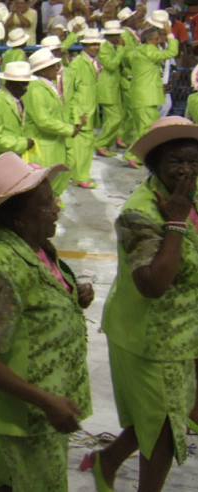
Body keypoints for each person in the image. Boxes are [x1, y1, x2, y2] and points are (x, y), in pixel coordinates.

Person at [0, 152, 94, 492]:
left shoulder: (34, 245)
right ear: (18, 218)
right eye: (47, 205)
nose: (58, 210)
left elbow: (36, 298)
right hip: (29, 416)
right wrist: (45, 401)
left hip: (49, 406)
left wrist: (71, 293)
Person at [85, 116, 198, 492]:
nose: (186, 170)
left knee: (163, 416)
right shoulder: (140, 211)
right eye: (175, 163)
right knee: (164, 430)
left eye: (193, 161)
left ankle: (107, 461)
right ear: (154, 167)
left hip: (186, 331)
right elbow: (153, 283)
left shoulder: (192, 195)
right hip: (151, 337)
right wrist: (176, 224)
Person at [24, 48, 82, 207]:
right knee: (46, 178)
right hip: (43, 145)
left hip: (56, 140)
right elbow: (43, 121)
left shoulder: (49, 85)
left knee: (63, 171)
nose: (56, 69)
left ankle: (53, 198)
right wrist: (69, 130)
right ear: (42, 70)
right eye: (52, 66)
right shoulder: (35, 90)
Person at [121, 23, 178, 169]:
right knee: (145, 128)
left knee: (148, 127)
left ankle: (141, 155)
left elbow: (126, 59)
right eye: (157, 38)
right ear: (149, 40)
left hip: (143, 95)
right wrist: (171, 34)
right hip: (146, 95)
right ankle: (132, 155)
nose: (159, 40)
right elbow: (171, 52)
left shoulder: (136, 51)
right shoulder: (149, 51)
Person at [64, 28, 103, 189]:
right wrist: (77, 113)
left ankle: (78, 175)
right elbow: (69, 91)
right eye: (92, 44)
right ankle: (81, 176)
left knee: (85, 145)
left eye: (97, 44)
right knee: (83, 146)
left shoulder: (93, 62)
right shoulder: (77, 64)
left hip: (89, 109)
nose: (96, 47)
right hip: (82, 111)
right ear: (84, 45)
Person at [0, 61, 36, 166]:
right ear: (12, 83)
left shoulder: (19, 99)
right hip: (0, 164)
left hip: (16, 161)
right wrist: (23, 144)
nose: (26, 90)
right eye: (24, 85)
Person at [94, 20, 126, 158]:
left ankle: (105, 145)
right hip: (107, 88)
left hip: (115, 88)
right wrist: (121, 49)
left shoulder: (112, 47)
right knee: (116, 118)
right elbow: (112, 65)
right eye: (115, 35)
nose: (118, 37)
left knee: (114, 118)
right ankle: (100, 143)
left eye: (118, 34)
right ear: (108, 36)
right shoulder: (103, 48)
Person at [117, 6, 139, 149]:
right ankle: (121, 136)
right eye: (133, 17)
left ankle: (122, 137)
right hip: (128, 75)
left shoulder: (131, 34)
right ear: (127, 20)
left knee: (129, 110)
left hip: (131, 74)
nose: (136, 19)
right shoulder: (125, 34)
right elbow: (126, 55)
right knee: (130, 110)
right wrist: (141, 56)